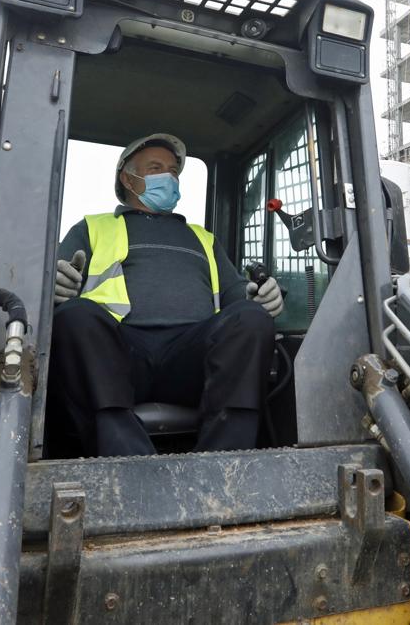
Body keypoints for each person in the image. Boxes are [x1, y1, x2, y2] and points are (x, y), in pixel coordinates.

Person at [44, 133, 283, 457]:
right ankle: (129, 461)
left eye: (173, 171)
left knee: (253, 319)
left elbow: (235, 294)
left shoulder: (203, 238)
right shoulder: (91, 228)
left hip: (193, 356)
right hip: (119, 354)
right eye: (156, 168)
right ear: (128, 178)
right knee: (74, 316)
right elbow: (59, 278)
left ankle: (224, 466)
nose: (169, 177)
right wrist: (59, 287)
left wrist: (260, 296)